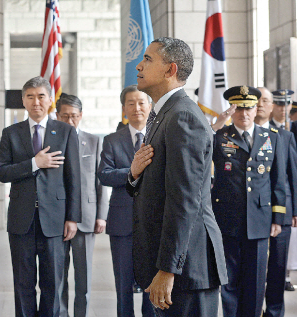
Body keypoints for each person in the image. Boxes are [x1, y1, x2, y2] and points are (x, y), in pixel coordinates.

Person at [126, 37, 228, 316]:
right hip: (172, 261)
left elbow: (185, 201)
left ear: (170, 70)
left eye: (148, 59)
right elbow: (157, 185)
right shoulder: (163, 114)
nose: (139, 65)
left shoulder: (183, 117)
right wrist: (133, 176)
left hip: (186, 268)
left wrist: (168, 269)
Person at [0, 76, 81, 317]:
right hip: (22, 220)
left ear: (51, 100)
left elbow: (74, 177)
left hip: (55, 220)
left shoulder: (65, 132)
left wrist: (72, 217)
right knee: (23, 284)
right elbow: (1, 172)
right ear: (23, 100)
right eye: (30, 96)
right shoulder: (11, 133)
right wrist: (34, 163)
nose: (36, 102)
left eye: (41, 96)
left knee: (53, 283)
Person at [213, 85, 286, 317]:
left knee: (255, 281)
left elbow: (278, 180)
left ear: (257, 110)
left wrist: (278, 218)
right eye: (239, 109)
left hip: (260, 219)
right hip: (227, 219)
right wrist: (215, 124)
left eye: (249, 108)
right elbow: (198, 148)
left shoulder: (271, 138)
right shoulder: (220, 136)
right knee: (229, 281)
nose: (244, 114)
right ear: (231, 111)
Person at [98, 85, 155, 317]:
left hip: (153, 222)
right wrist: (132, 172)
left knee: (151, 285)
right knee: (123, 285)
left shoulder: (158, 136)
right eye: (131, 103)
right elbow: (104, 174)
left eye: (141, 102)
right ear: (124, 108)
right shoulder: (112, 140)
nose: (137, 108)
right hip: (122, 222)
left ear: (150, 107)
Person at [55, 93, 107, 317]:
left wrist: (101, 216)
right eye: (65, 116)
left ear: (81, 116)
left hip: (87, 217)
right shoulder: (51, 140)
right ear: (57, 116)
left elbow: (100, 180)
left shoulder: (93, 141)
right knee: (58, 277)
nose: (69, 121)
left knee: (83, 277)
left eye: (74, 116)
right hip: (56, 218)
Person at [254, 87, 297, 317]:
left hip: (283, 209)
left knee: (278, 267)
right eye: (257, 100)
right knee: (254, 267)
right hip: (254, 212)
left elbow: (292, 175)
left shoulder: (284, 136)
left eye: (266, 100)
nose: (261, 104)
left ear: (273, 106)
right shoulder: (244, 133)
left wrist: (294, 209)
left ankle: (274, 311)